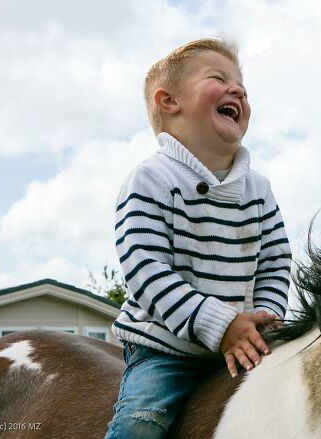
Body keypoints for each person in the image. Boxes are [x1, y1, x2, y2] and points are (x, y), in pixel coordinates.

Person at [104, 37, 291, 438]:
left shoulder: (258, 189)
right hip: (166, 349)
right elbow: (145, 268)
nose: (237, 89)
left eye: (241, 84)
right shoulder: (151, 179)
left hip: (245, 339)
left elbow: (275, 261)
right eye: (218, 78)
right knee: (141, 422)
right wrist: (220, 325)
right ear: (169, 101)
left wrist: (266, 319)